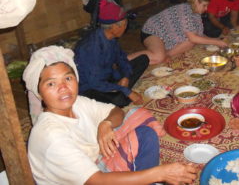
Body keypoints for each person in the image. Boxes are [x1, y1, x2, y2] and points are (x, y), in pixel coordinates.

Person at [23, 46, 198, 185]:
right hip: (91, 179)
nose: (63, 88)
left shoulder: (78, 103)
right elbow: (96, 180)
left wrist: (105, 124)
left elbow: (116, 111)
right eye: (51, 84)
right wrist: (161, 173)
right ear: (39, 93)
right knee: (151, 168)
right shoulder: (50, 135)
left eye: (68, 79)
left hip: (93, 161)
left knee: (142, 126)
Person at [74, 0, 148, 107]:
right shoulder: (90, 48)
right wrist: (126, 91)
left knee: (143, 59)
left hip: (107, 77)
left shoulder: (111, 38)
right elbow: (95, 83)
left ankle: (120, 89)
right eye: (124, 24)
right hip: (90, 88)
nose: (126, 27)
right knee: (120, 101)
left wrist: (126, 77)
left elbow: (122, 58)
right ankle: (120, 92)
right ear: (113, 27)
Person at [128, 0, 228, 65]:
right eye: (204, 5)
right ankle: (125, 59)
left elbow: (200, 35)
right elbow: (193, 37)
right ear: (197, 2)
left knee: (190, 43)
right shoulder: (184, 10)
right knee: (158, 56)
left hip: (165, 36)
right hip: (152, 31)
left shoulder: (196, 13)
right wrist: (216, 42)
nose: (206, 9)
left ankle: (166, 55)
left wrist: (216, 41)